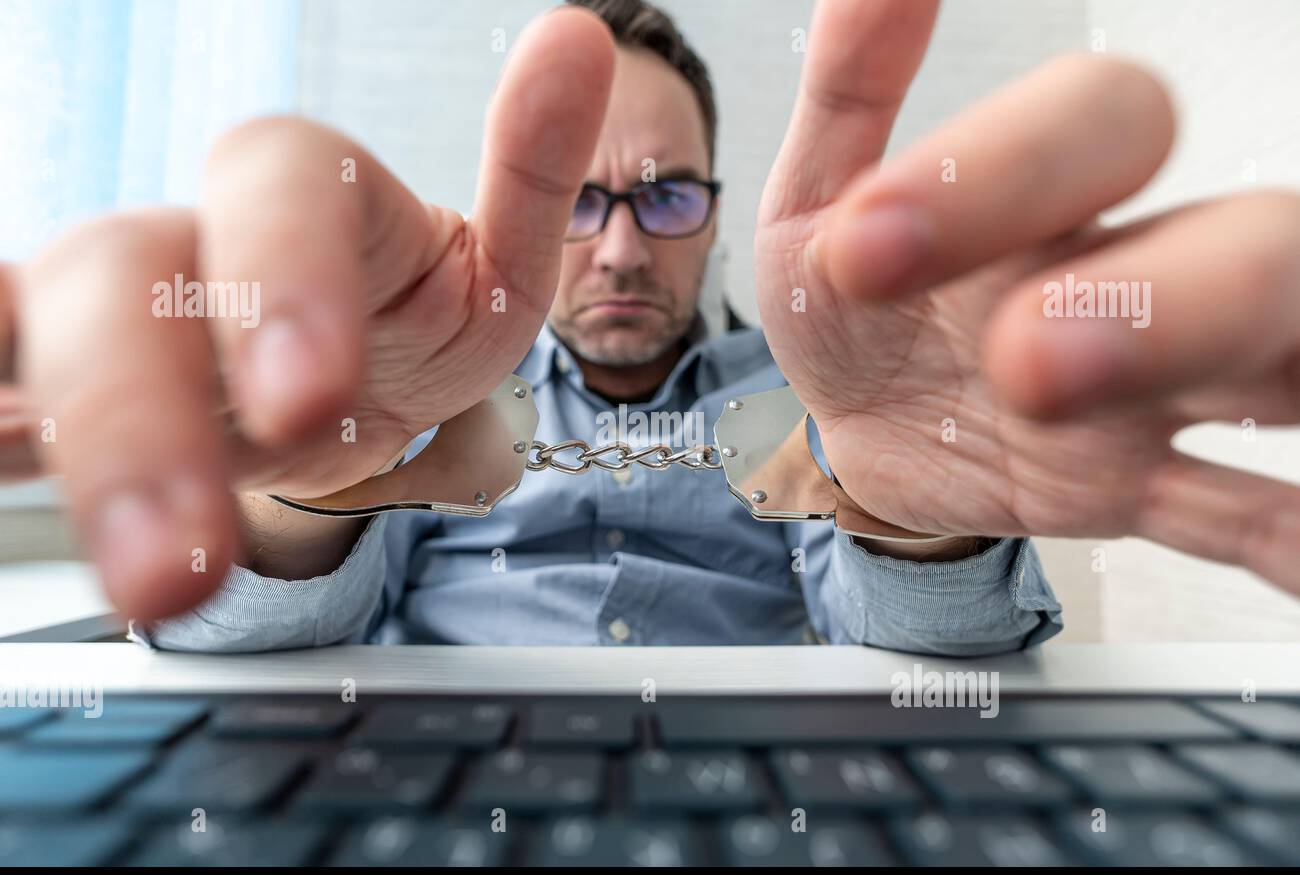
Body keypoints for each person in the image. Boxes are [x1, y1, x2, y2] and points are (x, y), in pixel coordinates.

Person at [2, 0, 1297, 652]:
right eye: (581, 202)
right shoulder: (436, 389)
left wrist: (924, 508)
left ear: (717, 212)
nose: (622, 246)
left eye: (666, 196)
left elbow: (919, 652)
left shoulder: (811, 399)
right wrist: (313, 483)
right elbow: (262, 652)